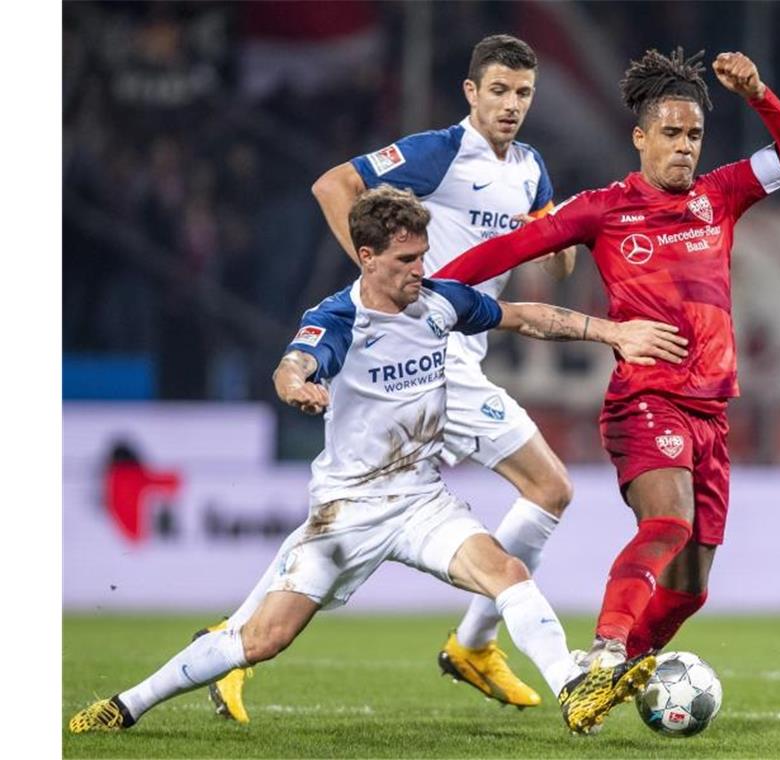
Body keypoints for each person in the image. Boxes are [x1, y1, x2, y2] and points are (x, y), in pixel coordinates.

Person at [68, 186, 689, 737]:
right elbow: (294, 364)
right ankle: (127, 704)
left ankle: (574, 692)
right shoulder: (340, 318)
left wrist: (612, 333)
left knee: (507, 574)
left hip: (421, 500)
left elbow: (524, 316)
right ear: (366, 258)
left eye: (422, 255)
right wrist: (297, 385)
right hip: (348, 512)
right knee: (261, 640)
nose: (421, 270)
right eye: (405, 260)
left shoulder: (439, 303)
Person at [434, 48, 780, 666]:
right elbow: (510, 248)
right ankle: (608, 646)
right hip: (646, 400)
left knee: (690, 590)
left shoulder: (721, 195)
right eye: (671, 133)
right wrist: (432, 288)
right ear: (641, 138)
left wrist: (759, 93)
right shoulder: (603, 210)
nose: (685, 147)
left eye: (694, 134)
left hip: (711, 414)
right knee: (667, 524)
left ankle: (617, 672)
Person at [280, 32, 576, 714]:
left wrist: (558, 235)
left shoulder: (531, 169)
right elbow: (335, 184)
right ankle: (474, 644)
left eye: (522, 93)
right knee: (549, 487)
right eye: (497, 90)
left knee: (349, 519)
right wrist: (372, 272)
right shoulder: (442, 151)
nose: (509, 104)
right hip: (432, 355)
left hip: (462, 351)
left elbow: (555, 260)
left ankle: (234, 644)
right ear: (471, 92)